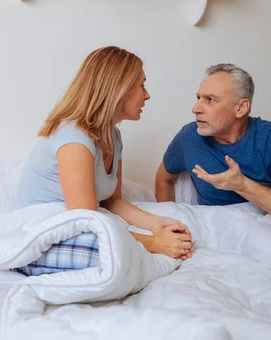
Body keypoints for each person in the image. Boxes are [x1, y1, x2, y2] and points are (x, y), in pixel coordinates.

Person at [14, 46, 193, 276]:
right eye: (142, 85)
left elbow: (112, 201)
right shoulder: (74, 137)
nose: (147, 95)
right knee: (115, 255)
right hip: (40, 232)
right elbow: (86, 220)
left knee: (122, 251)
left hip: (77, 227)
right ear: (118, 89)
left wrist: (156, 224)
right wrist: (153, 243)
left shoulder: (113, 136)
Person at [155, 63, 271, 228]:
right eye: (198, 98)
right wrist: (171, 224)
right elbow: (163, 179)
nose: (195, 108)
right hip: (215, 231)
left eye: (210, 99)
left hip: (265, 230)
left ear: (240, 108)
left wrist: (242, 185)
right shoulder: (189, 136)